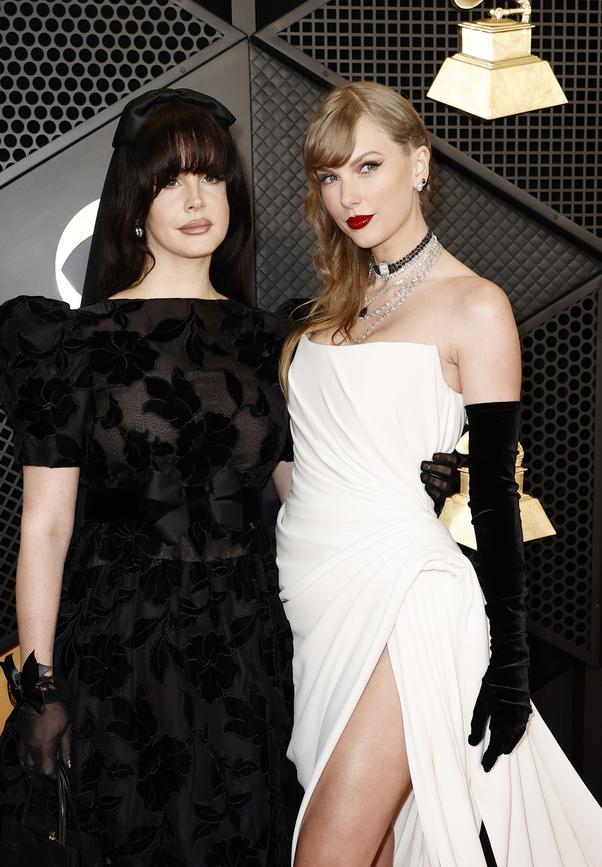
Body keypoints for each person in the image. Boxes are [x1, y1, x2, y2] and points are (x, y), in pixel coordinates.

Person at [275, 81, 602, 867]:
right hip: (318, 598)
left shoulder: (475, 306)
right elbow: (303, 468)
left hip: (406, 595)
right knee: (374, 847)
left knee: (327, 852)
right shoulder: (329, 312)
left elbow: (494, 497)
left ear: (420, 163)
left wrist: (512, 658)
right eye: (329, 176)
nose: (347, 194)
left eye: (368, 165)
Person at [0, 87, 302, 867]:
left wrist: (394, 499)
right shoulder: (70, 340)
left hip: (251, 639)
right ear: (135, 203)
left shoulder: (276, 341)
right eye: (171, 179)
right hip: (120, 641)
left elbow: (304, 500)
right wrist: (42, 685)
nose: (197, 198)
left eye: (213, 176)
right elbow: (47, 525)